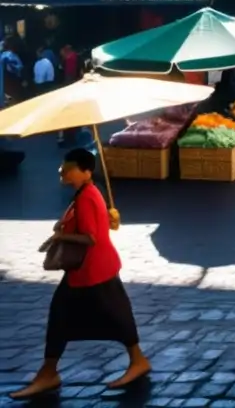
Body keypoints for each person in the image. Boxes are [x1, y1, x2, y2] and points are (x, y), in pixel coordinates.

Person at [11, 148, 150, 399]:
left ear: (85, 171)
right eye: (63, 167)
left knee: (69, 315)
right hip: (95, 269)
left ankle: (50, 373)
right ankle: (51, 371)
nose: (63, 171)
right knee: (111, 314)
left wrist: (60, 235)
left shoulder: (86, 196)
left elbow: (90, 238)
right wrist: (64, 225)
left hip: (93, 269)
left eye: (69, 167)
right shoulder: (87, 192)